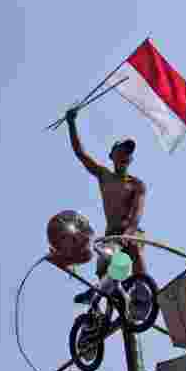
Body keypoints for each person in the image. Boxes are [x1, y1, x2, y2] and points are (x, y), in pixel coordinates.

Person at [65, 107, 149, 305]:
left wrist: (128, 232)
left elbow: (137, 213)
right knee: (104, 264)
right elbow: (80, 153)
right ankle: (98, 299)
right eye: (121, 151)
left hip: (130, 233)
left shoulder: (136, 184)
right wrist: (71, 124)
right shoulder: (104, 176)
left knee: (134, 247)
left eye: (128, 153)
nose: (125, 155)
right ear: (112, 155)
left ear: (131, 159)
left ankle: (142, 292)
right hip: (112, 235)